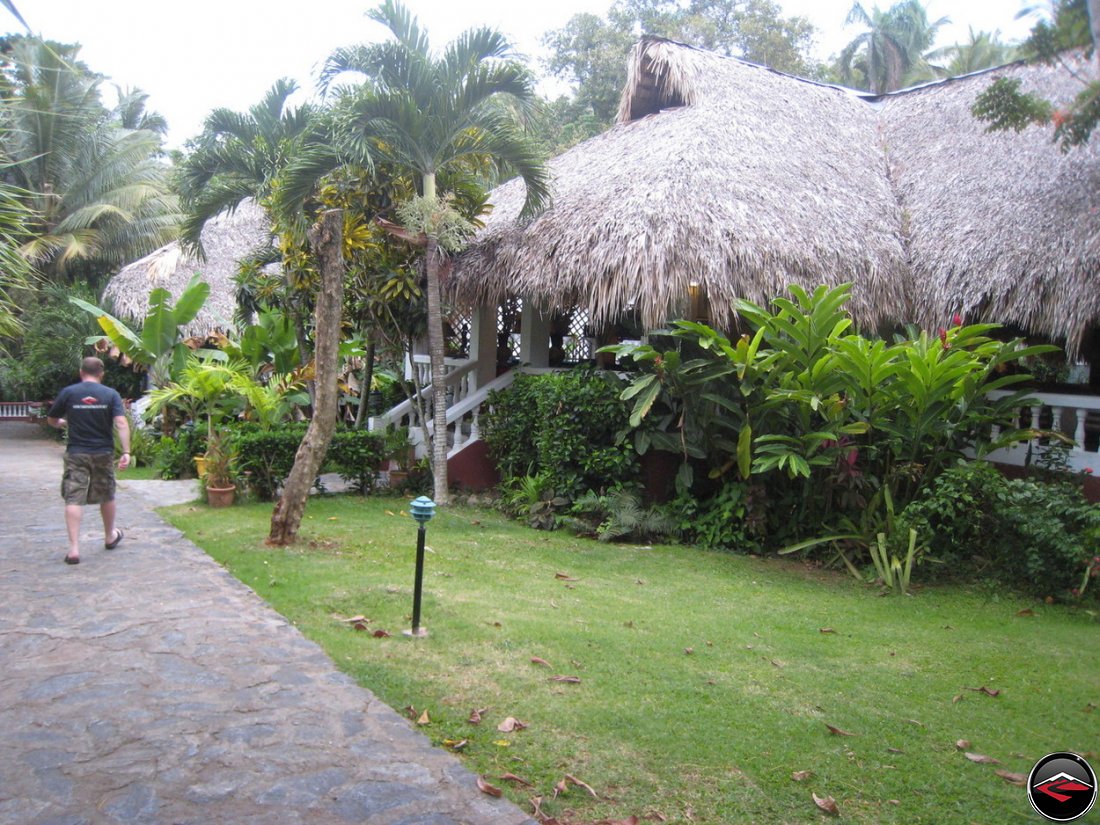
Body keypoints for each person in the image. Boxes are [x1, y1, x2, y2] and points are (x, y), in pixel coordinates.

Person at [47, 357, 131, 565]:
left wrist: (62, 423)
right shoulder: (110, 394)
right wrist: (126, 451)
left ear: (81, 371)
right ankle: (110, 535)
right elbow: (120, 423)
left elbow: (51, 419)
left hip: (76, 453)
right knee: (107, 493)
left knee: (73, 496)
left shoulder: (69, 393)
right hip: (103, 452)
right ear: (101, 373)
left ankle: (74, 548)